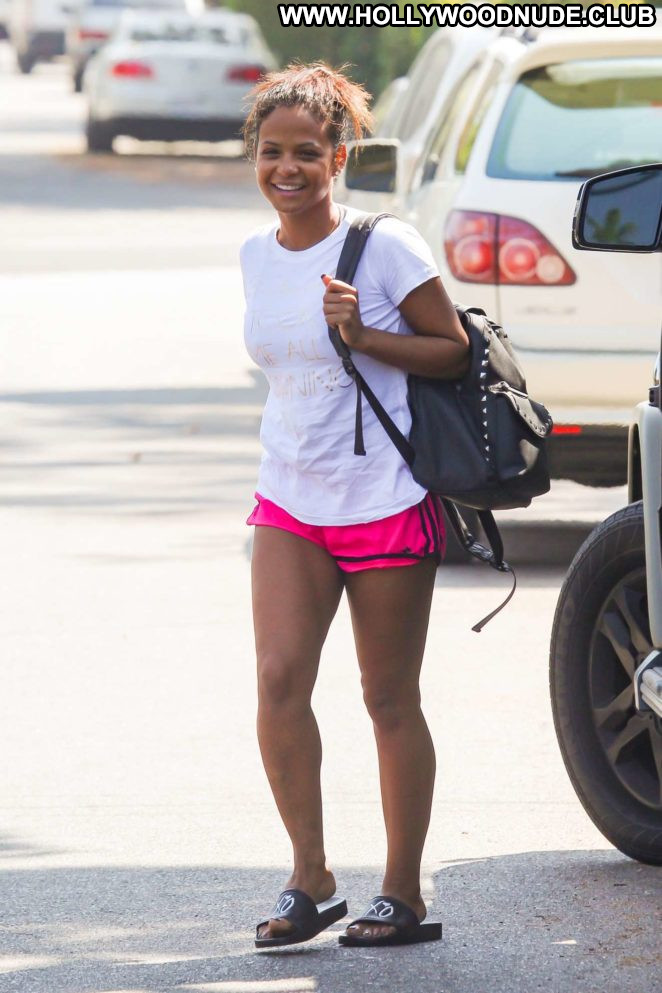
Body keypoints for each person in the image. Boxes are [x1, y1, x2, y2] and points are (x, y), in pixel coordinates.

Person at [240, 62, 470, 949]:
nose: (287, 168)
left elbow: (452, 348)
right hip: (290, 495)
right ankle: (312, 877)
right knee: (278, 680)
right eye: (272, 151)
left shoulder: (386, 247)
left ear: (338, 157)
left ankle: (402, 891)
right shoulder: (256, 256)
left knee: (387, 696)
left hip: (383, 497)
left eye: (306, 152)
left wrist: (365, 334)